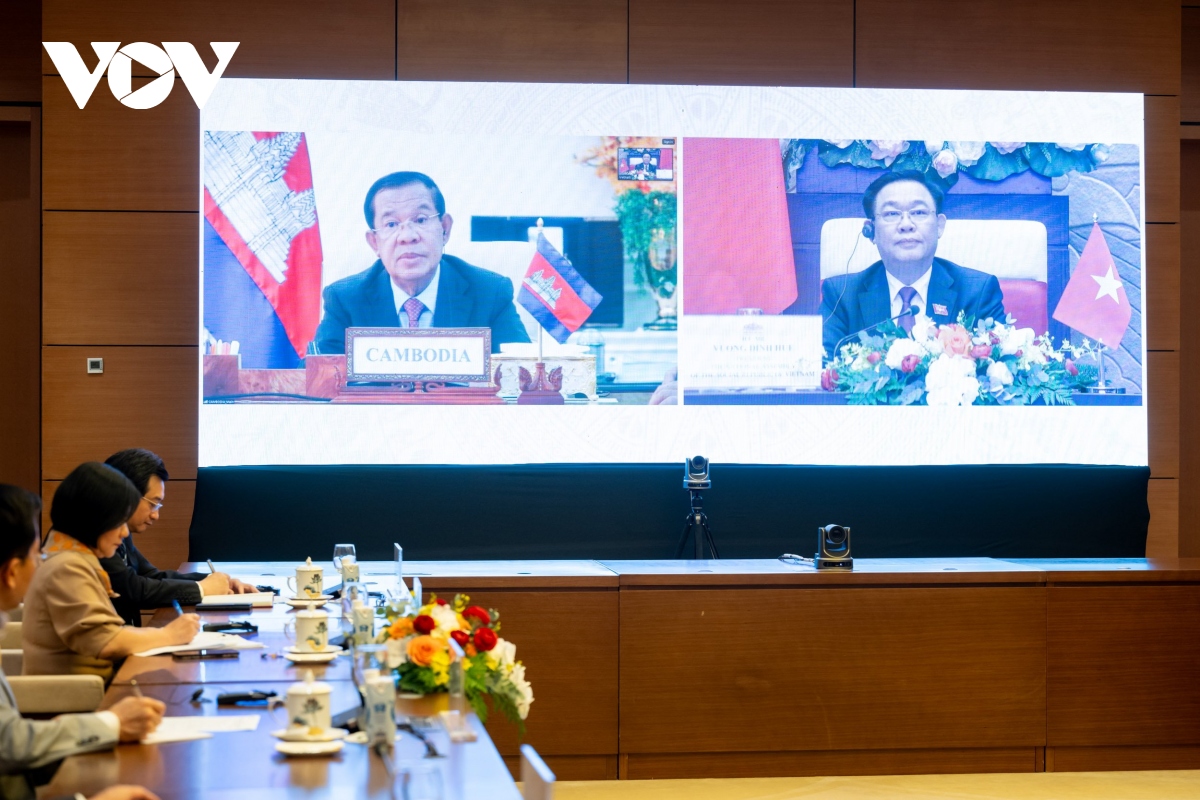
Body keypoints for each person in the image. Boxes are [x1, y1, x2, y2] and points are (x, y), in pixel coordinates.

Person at [0, 483, 166, 800]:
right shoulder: (67, 565)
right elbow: (9, 745)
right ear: (10, 572)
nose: (40, 562)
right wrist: (110, 724)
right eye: (35, 555)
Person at [790, 170, 1006, 360]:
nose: (906, 225)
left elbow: (1000, 366)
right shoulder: (842, 296)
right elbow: (823, 367)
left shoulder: (977, 292)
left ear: (939, 225)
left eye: (919, 212)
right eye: (892, 214)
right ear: (870, 230)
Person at [312, 171, 531, 356]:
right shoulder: (346, 299)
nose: (407, 236)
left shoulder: (489, 292)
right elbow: (316, 379)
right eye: (391, 224)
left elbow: (520, 374)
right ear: (374, 242)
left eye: (420, 220)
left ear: (445, 229)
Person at [22, 463, 201, 682]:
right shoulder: (66, 567)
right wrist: (169, 635)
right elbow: (107, 641)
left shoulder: (74, 557)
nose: (125, 532)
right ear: (94, 519)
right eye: (119, 522)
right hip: (81, 697)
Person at [100, 449, 254, 626]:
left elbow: (152, 576)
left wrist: (217, 582)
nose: (155, 515)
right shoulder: (97, 533)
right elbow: (133, 589)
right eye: (153, 504)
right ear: (126, 494)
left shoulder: (117, 530)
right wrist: (201, 588)